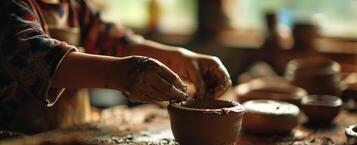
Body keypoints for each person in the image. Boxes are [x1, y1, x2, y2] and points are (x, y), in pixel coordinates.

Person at [0, 0, 231, 133]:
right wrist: (123, 73)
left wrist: (179, 57)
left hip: (70, 136)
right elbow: (41, 59)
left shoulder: (74, 7)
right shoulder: (10, 8)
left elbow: (119, 43)